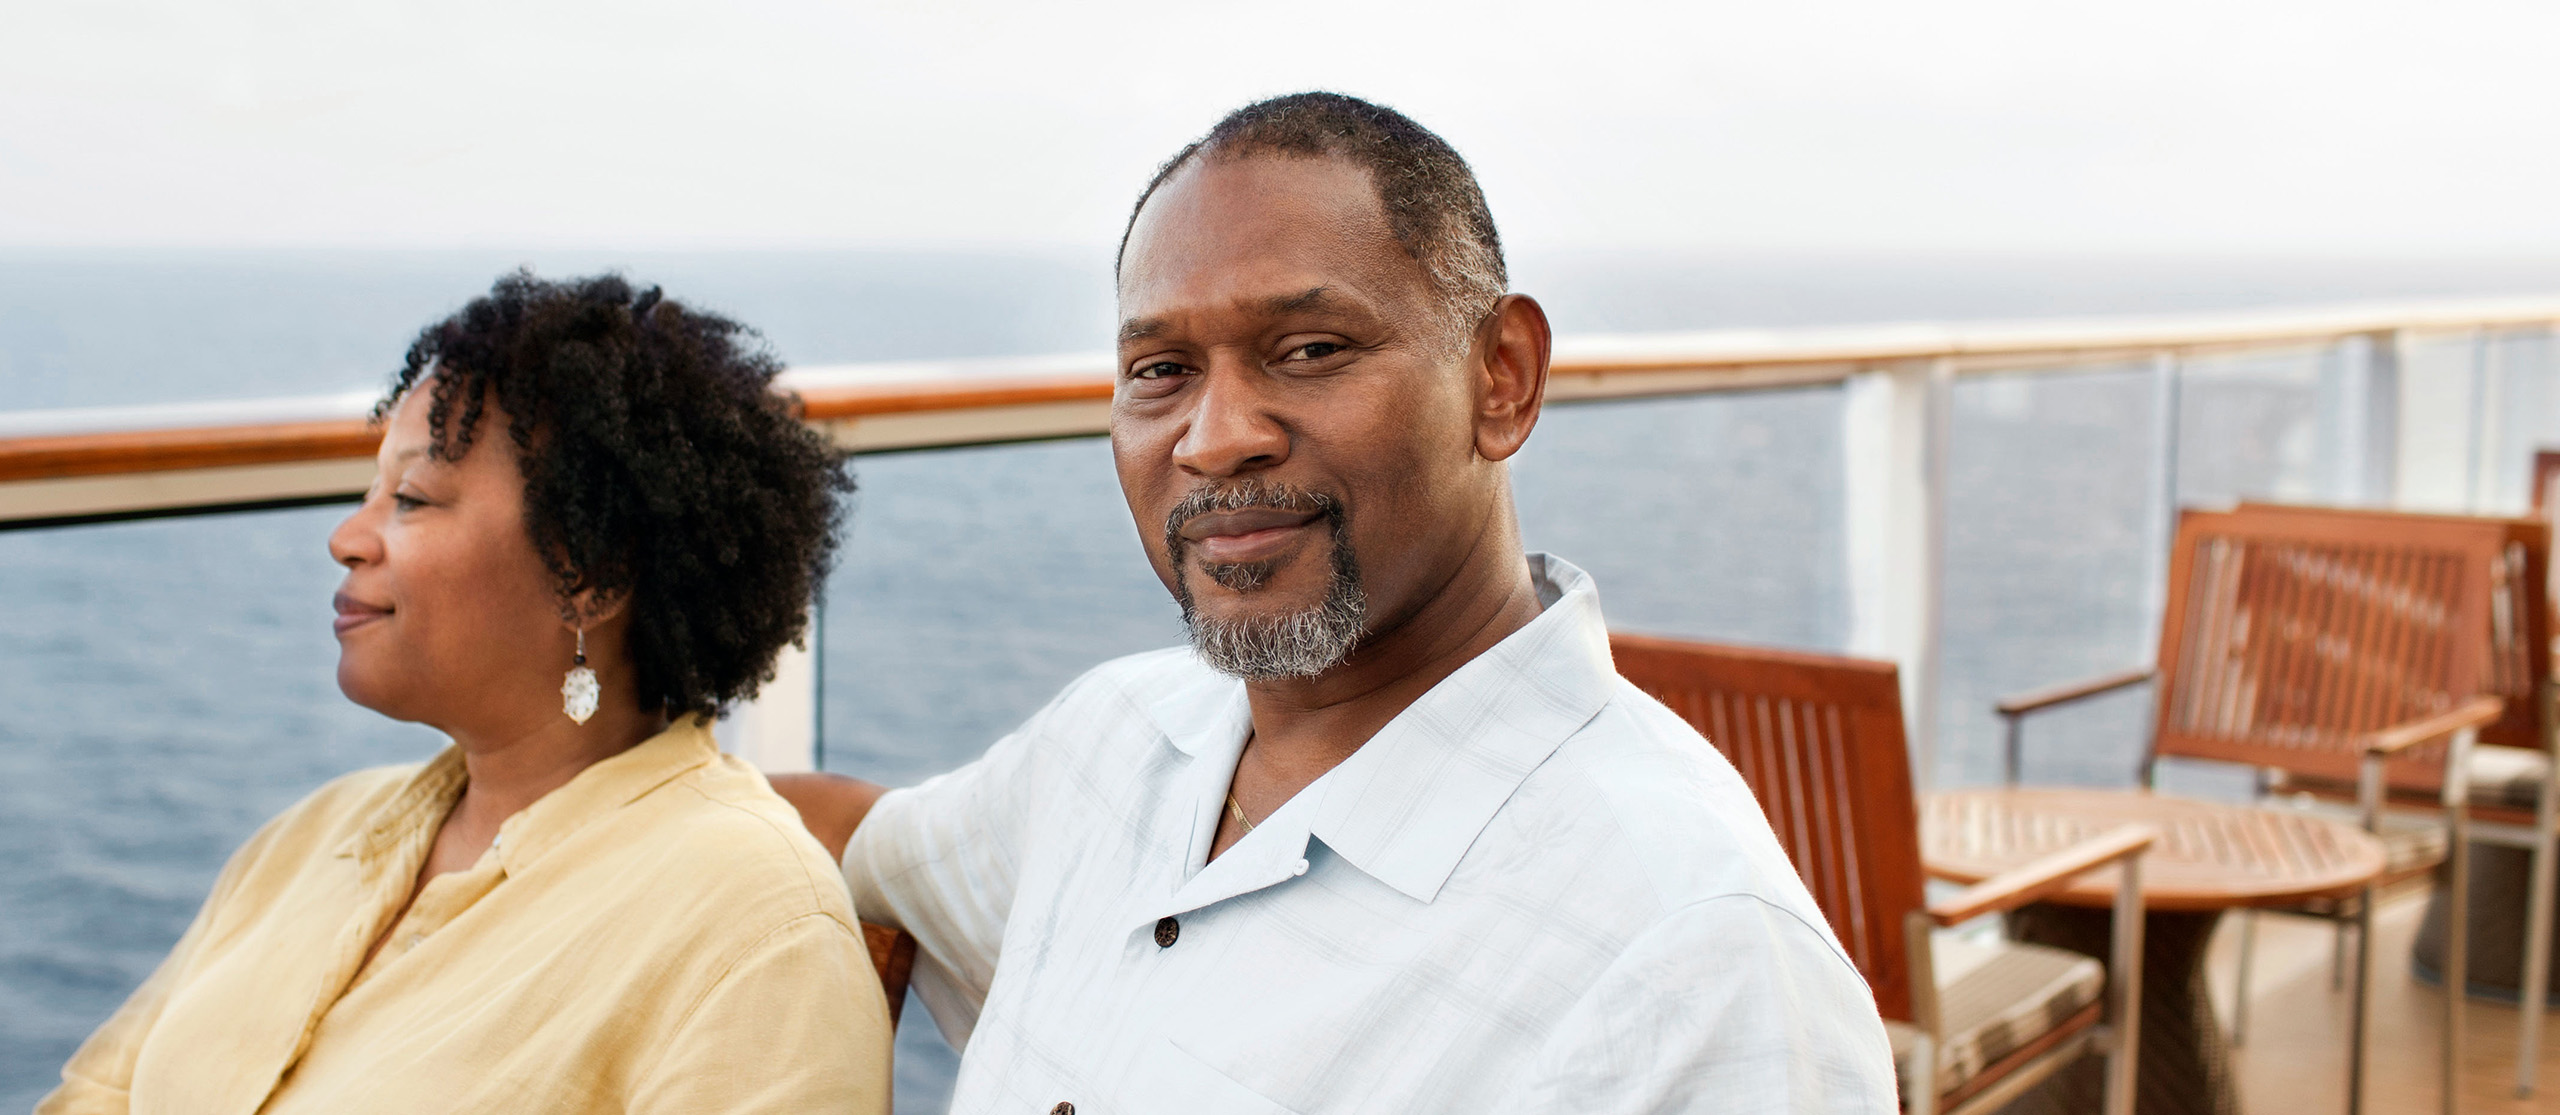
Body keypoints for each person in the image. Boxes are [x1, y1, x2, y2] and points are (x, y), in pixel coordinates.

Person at [774, 93, 1895, 1112]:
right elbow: (855, 838)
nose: (1215, 436)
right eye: (1160, 370)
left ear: (1500, 377)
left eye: (1309, 348)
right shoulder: (1116, 746)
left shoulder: (1690, 962)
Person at [42, 273, 890, 1115]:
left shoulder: (754, 930)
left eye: (410, 498)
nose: (345, 538)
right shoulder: (314, 836)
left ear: (590, 574)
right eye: (369, 491)